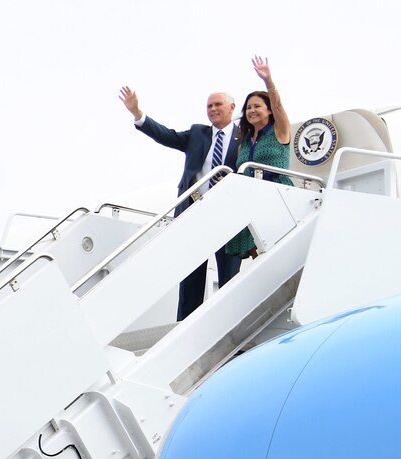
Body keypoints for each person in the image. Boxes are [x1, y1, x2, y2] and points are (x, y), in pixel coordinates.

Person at [118, 80, 242, 318]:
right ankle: (185, 325)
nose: (213, 109)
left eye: (218, 104)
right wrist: (137, 113)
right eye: (209, 106)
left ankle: (229, 321)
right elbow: (166, 136)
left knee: (229, 275)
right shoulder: (198, 133)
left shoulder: (243, 136)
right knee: (190, 277)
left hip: (227, 214)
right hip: (194, 212)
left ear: (232, 107)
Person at [225, 57, 295, 264]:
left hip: (277, 193)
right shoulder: (244, 143)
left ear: (269, 110)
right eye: (248, 108)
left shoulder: (279, 131)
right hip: (251, 197)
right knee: (259, 254)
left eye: (257, 106)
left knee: (275, 247)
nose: (252, 111)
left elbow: (279, 105)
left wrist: (268, 81)